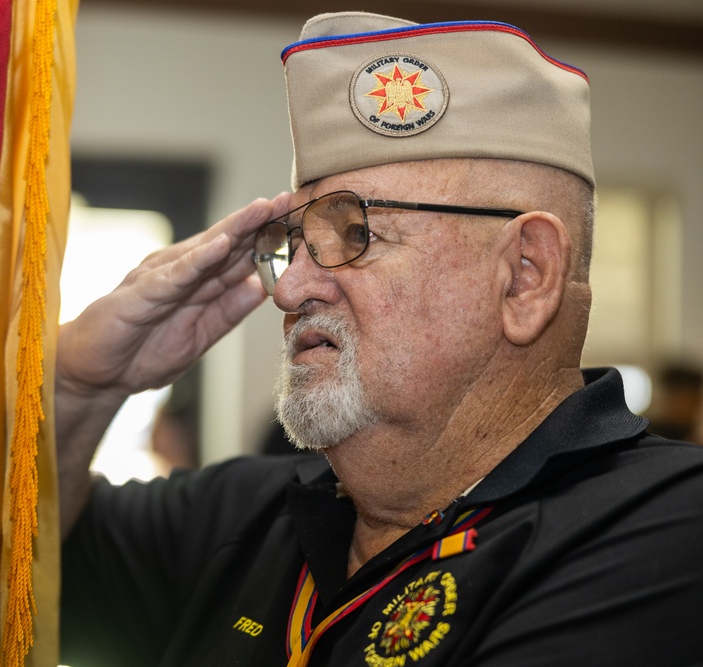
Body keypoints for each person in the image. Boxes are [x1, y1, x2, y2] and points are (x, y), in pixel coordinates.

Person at [56, 12, 703, 666]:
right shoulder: (247, 514)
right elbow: (18, 567)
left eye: (356, 234)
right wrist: (80, 388)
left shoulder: (666, 529)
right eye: (294, 245)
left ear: (524, 278)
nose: (288, 290)